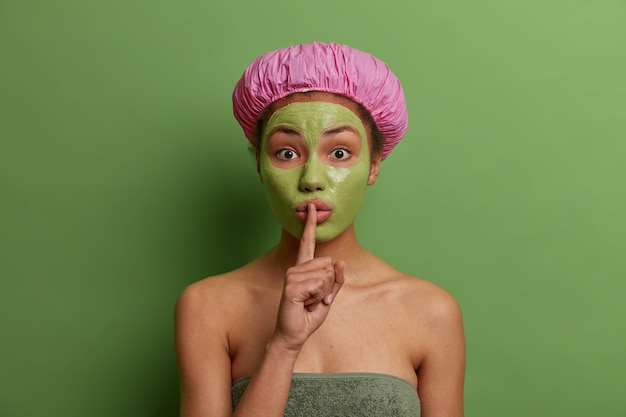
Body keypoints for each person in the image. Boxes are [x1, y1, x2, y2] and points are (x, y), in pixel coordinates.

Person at [175, 41, 465, 417]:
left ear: (374, 164)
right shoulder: (207, 307)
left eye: (340, 153)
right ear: (261, 167)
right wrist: (283, 345)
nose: (312, 179)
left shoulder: (431, 311)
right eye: (287, 153)